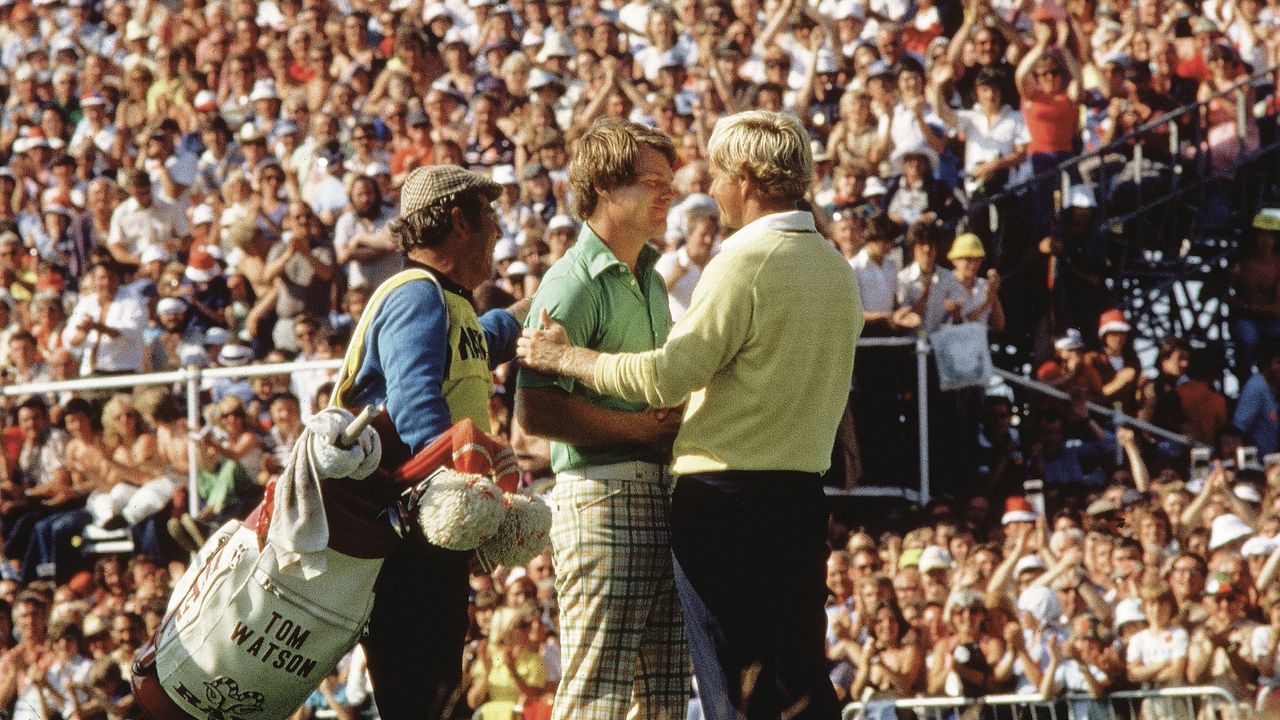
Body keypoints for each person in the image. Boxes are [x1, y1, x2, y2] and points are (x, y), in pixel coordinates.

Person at [518, 110, 862, 720]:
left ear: (748, 179)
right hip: (799, 498)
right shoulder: (836, 268)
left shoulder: (742, 261)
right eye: (654, 181)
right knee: (798, 683)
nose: (700, 189)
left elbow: (667, 376)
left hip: (726, 501)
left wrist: (569, 357)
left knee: (731, 689)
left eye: (717, 174)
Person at [332, 164, 526, 720]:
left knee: (436, 693)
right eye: (488, 215)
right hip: (407, 535)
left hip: (427, 526)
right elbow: (418, 409)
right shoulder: (417, 296)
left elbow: (480, 342)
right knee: (421, 695)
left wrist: (544, 304)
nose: (497, 228)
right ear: (460, 221)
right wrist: (467, 478)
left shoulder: (447, 300)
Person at [515, 117, 689, 720]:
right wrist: (641, 429)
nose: (668, 193)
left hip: (657, 495)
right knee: (597, 692)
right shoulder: (569, 283)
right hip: (601, 497)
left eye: (669, 181)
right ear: (606, 189)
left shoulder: (650, 274)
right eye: (652, 182)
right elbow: (534, 410)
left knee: (665, 695)